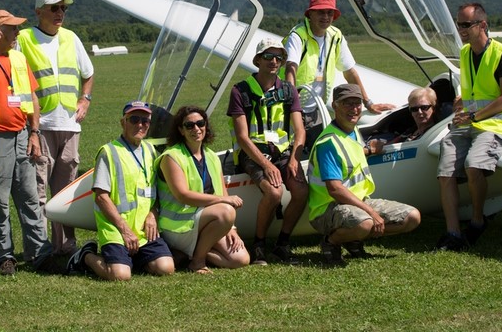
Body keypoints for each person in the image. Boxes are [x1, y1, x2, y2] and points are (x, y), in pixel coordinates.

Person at [436, 3, 502, 252]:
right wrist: (462, 100)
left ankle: (477, 221)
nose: (460, 29)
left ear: (482, 25)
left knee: (474, 164)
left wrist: (474, 115)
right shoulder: (465, 53)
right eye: (458, 24)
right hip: (470, 120)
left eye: (465, 25)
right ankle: (453, 233)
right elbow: (477, 88)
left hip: (497, 123)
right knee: (445, 171)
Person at [17, 0, 94, 257]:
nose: (60, 13)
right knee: (38, 186)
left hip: (70, 125)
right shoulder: (24, 38)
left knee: (66, 189)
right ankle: (39, 247)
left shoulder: (71, 38)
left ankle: (65, 245)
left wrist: (85, 100)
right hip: (40, 124)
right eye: (54, 8)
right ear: (38, 12)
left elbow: (88, 73)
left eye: (63, 8)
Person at [0, 10, 59, 276]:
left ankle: (41, 253)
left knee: (29, 195)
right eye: (13, 29)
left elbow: (32, 97)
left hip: (23, 135)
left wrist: (35, 132)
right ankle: (5, 256)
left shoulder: (18, 58)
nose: (18, 33)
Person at [308, 84, 421, 263]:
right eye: (347, 104)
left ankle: (353, 238)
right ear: (335, 106)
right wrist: (372, 213)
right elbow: (335, 189)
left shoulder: (353, 131)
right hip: (327, 209)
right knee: (366, 222)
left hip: (359, 202)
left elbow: (352, 154)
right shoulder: (328, 142)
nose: (354, 109)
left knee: (412, 218)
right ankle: (331, 242)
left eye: (357, 103)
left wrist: (369, 150)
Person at [65, 101, 174, 281]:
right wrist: (124, 230)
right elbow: (101, 197)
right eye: (134, 120)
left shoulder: (151, 150)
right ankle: (85, 257)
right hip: (116, 228)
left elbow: (155, 190)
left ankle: (132, 258)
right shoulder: (108, 152)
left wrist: (153, 214)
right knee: (120, 276)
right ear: (123, 122)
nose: (140, 125)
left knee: (166, 268)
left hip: (143, 230)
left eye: (145, 121)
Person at [227, 38, 308, 265]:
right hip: (252, 153)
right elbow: (243, 137)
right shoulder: (240, 91)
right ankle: (259, 245)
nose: (274, 61)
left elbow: (300, 131)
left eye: (279, 58)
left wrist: (294, 159)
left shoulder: (289, 90)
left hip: (282, 152)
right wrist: (267, 165)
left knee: (301, 191)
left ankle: (283, 243)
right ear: (257, 60)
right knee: (274, 193)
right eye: (268, 56)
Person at [283, 0, 394, 153]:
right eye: (321, 12)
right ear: (310, 14)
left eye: (330, 13)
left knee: (321, 151)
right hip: (290, 107)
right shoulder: (298, 35)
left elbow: (350, 73)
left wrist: (368, 102)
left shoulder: (335, 36)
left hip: (316, 109)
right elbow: (290, 69)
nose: (326, 17)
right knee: (289, 153)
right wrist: (292, 106)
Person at [157, 106, 249, 274]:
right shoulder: (172, 156)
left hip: (203, 222)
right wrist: (223, 202)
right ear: (181, 130)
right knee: (226, 211)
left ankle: (188, 254)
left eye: (200, 123)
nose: (196, 129)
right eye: (189, 125)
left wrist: (231, 228)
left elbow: (222, 192)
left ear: (206, 126)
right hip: (178, 225)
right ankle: (197, 261)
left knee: (240, 259)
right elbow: (183, 195)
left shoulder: (212, 156)